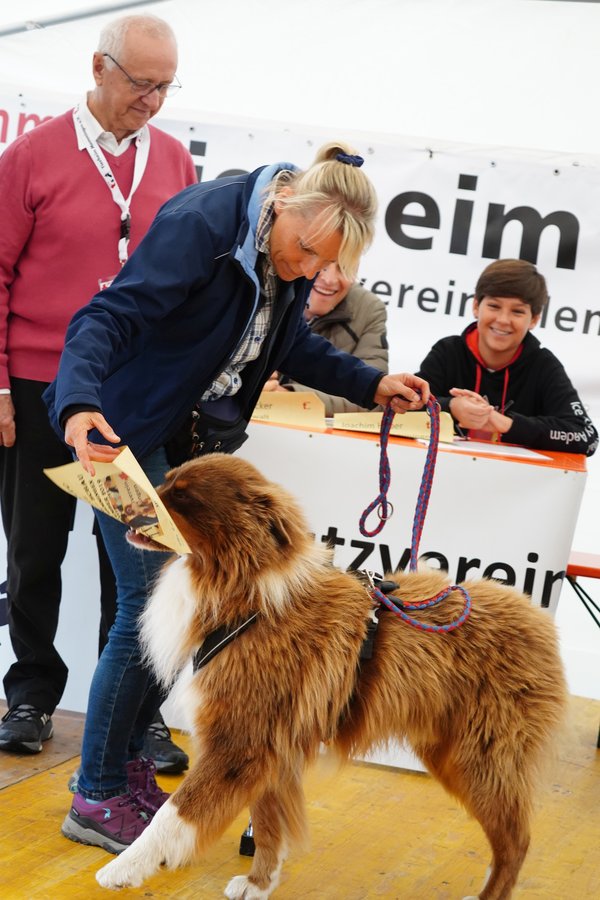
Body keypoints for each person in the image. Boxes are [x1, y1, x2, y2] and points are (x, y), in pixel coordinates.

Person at [44, 141, 430, 853]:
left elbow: (285, 349)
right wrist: (76, 407)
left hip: (189, 441)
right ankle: (94, 794)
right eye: (307, 252)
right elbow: (108, 317)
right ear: (284, 203)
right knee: (145, 611)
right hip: (122, 437)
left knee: (181, 611)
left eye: (326, 266)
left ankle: (127, 767)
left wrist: (370, 384)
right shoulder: (204, 225)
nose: (310, 272)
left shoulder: (289, 248)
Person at [0, 12, 196, 775]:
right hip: (42, 383)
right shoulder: (30, 157)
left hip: (131, 397)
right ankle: (32, 694)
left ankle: (137, 716)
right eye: (142, 84)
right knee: (36, 552)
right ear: (99, 68)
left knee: (137, 563)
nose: (152, 101)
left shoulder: (177, 164)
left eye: (166, 87)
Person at [416, 258, 598, 455]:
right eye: (494, 306)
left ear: (534, 319)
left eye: (517, 311)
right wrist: (449, 407)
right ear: (476, 306)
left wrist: (507, 424)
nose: (503, 320)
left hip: (518, 482)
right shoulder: (448, 352)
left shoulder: (544, 365)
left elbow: (586, 437)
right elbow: (402, 407)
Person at [262, 262, 389, 415]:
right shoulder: (270, 285)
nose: (329, 279)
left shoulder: (368, 309)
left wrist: (289, 397)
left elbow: (375, 397)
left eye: (343, 268)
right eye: (322, 265)